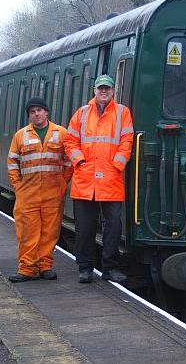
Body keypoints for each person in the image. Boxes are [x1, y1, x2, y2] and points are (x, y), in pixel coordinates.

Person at [64, 74, 134, 284]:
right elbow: (70, 141)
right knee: (85, 226)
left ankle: (109, 268)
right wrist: (80, 162)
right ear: (94, 90)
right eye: (100, 88)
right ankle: (85, 268)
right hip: (86, 180)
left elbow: (127, 141)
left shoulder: (123, 113)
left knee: (113, 226)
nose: (104, 92)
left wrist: (117, 165)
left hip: (111, 179)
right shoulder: (82, 113)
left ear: (113, 91)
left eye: (107, 89)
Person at [7, 97, 73, 282]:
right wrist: (18, 186)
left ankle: (45, 266)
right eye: (32, 111)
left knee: (49, 232)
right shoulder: (20, 135)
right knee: (27, 231)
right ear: (29, 115)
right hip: (27, 193)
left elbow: (69, 161)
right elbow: (12, 162)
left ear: (46, 112)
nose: (36, 114)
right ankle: (27, 268)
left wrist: (62, 183)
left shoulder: (61, 133)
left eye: (39, 110)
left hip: (53, 193)